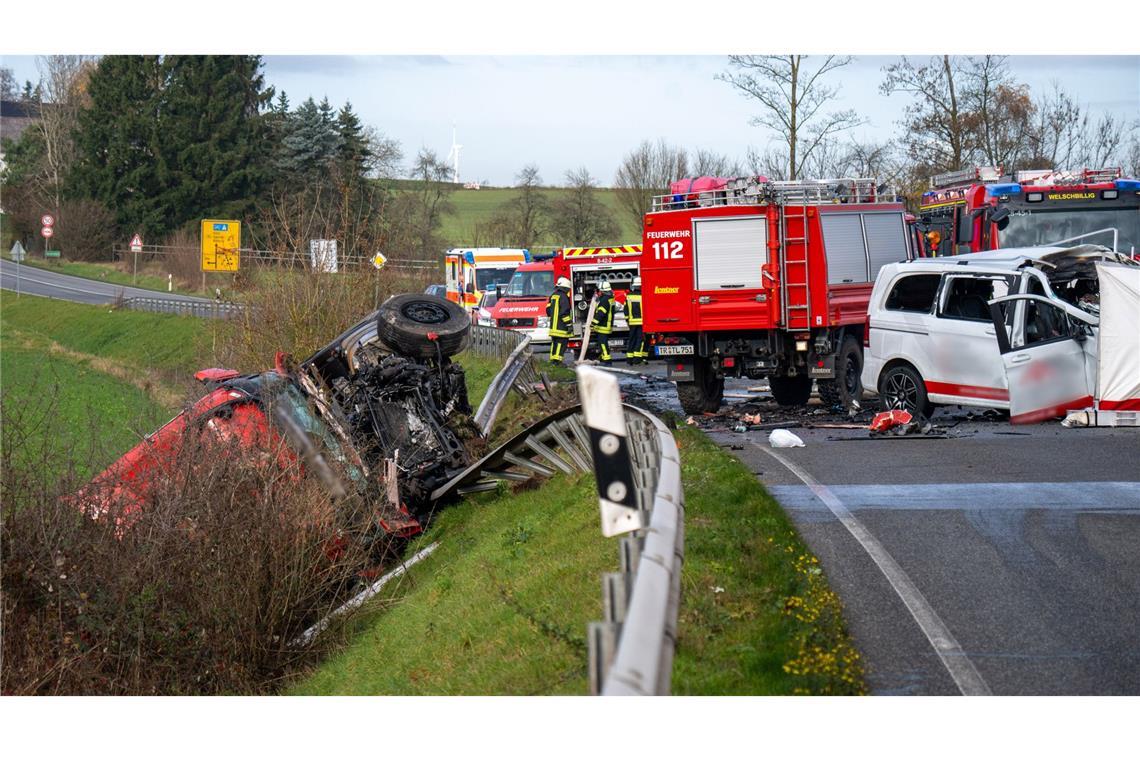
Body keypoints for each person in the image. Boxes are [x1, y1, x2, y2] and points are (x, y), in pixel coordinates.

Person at [546, 276, 573, 365]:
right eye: (568, 289)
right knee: (561, 343)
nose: (569, 291)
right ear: (565, 288)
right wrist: (569, 324)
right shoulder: (564, 297)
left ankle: (553, 360)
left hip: (553, 326)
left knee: (555, 343)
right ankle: (557, 362)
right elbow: (564, 312)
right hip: (561, 326)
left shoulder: (553, 296)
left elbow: (548, 310)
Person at [589, 280, 615, 365]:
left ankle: (607, 360)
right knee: (602, 343)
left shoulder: (604, 300)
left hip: (603, 326)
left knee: (603, 343)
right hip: (606, 325)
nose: (597, 293)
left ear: (602, 291)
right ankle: (604, 358)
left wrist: (593, 323)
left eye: (598, 291)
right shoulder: (609, 298)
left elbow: (600, 313)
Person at [625, 276, 646, 365]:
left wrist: (627, 320)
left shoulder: (629, 296)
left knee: (632, 339)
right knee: (640, 339)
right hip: (641, 322)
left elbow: (625, 309)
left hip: (632, 322)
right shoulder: (644, 296)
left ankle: (629, 359)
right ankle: (637, 359)